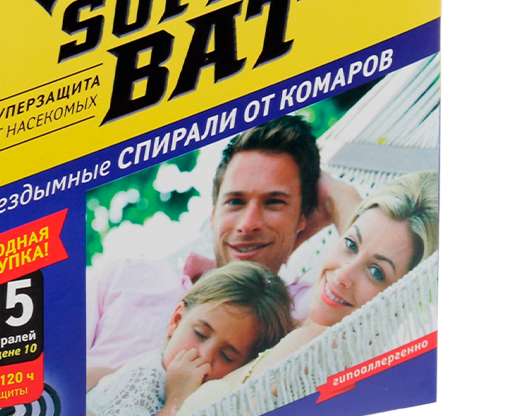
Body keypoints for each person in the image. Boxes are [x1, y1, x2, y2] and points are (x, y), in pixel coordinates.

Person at [86, 115, 361, 379]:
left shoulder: (296, 313)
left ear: (303, 217)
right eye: (235, 202)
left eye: (274, 202)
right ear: (213, 213)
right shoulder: (127, 277)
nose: (248, 224)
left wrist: (336, 196)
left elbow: (370, 274)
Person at [172, 172, 439, 416]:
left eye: (376, 272)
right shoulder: (303, 309)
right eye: (350, 244)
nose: (342, 275)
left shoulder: (319, 350)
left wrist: (176, 399)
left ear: (402, 295)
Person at [85, 261, 293, 416]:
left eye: (226, 356)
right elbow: (101, 377)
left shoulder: (197, 412)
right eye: (200, 334)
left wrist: (175, 403)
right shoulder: (145, 365)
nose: (204, 356)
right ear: (176, 320)